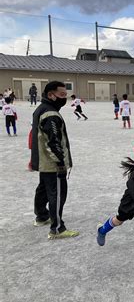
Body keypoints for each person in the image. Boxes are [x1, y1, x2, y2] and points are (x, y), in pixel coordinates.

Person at [31, 81, 79, 239]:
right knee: (57, 194)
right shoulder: (51, 114)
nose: (64, 98)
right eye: (62, 95)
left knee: (43, 189)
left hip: (43, 161)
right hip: (52, 164)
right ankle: (57, 228)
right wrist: (60, 163)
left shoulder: (41, 109)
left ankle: (42, 216)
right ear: (51, 95)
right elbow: (53, 141)